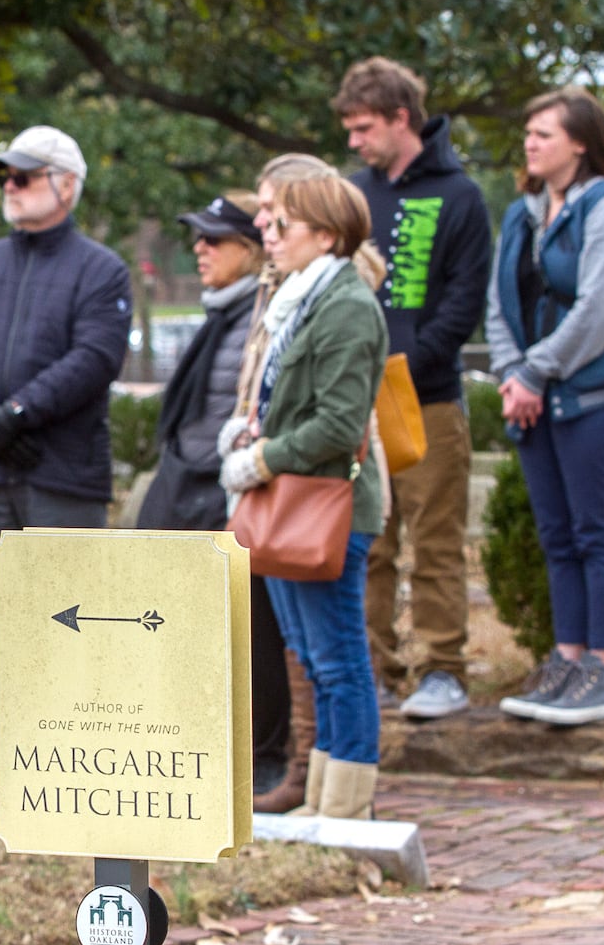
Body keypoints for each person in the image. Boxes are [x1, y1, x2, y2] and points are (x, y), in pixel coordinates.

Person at [0, 125, 132, 718]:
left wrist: (17, 415)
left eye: (24, 175)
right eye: (5, 177)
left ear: (67, 185)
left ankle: (73, 745)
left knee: (72, 613)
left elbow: (94, 358)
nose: (10, 187)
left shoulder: (102, 270)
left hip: (59, 470)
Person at [222, 175, 387, 819]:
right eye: (268, 223)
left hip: (327, 506)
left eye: (281, 224)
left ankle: (346, 808)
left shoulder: (344, 303)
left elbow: (341, 426)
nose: (267, 232)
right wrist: (253, 430)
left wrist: (261, 456)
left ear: (326, 234)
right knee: (315, 659)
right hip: (293, 501)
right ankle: (322, 801)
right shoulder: (301, 297)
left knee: (339, 660)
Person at [333, 57, 493, 720]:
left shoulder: (461, 197)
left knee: (434, 542)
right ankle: (372, 667)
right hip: (358, 405)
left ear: (403, 119)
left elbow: (462, 305)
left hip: (428, 401)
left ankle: (441, 669)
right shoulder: (351, 194)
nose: (354, 141)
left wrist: (404, 367)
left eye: (364, 126)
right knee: (367, 541)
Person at [486, 87, 604, 727]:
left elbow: (599, 313)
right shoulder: (522, 214)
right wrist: (509, 373)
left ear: (580, 141)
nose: (530, 142)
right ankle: (565, 657)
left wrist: (534, 371)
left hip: (596, 392)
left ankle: (601, 668)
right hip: (532, 396)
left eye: (544, 133)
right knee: (556, 534)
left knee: (595, 530)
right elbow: (500, 304)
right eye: (527, 132)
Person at [135, 193, 290, 796]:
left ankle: (265, 753)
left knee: (253, 626)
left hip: (227, 488)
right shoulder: (222, 312)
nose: (199, 249)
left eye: (214, 240)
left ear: (251, 250)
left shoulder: (267, 312)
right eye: (196, 239)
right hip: (186, 478)